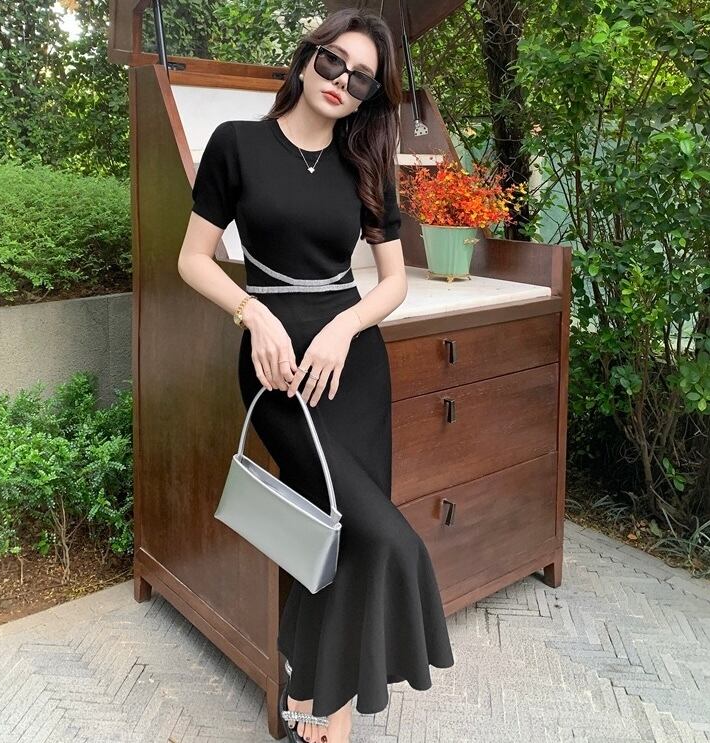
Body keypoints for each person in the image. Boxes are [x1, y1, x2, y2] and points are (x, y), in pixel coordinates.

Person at [178, 9, 454, 743]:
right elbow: (192, 258)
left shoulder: (365, 162)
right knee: (380, 536)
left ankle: (326, 708)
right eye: (334, 63)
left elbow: (392, 282)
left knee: (346, 538)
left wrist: (342, 327)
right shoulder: (236, 145)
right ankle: (323, 695)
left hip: (352, 367)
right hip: (276, 375)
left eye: (361, 78)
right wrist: (252, 313)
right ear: (307, 59)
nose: (342, 82)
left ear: (368, 95)